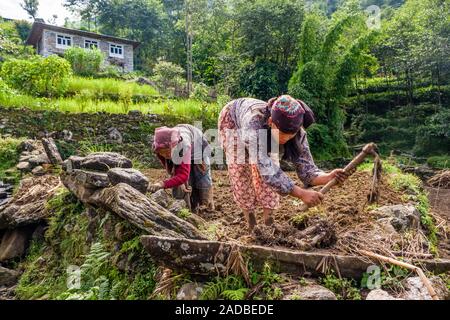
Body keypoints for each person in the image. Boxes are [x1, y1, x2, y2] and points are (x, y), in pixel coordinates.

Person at [218, 95, 351, 231]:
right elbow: (267, 170)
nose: (286, 138)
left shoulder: (298, 132)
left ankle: (269, 224)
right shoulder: (253, 124)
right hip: (233, 121)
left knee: (273, 166)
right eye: (282, 133)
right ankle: (252, 224)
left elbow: (307, 170)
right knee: (241, 169)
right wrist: (301, 193)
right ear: (271, 122)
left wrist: (328, 177)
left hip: (264, 132)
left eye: (290, 135)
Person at [148, 124, 214, 211]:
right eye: (163, 152)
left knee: (202, 177)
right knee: (181, 183)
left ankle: (207, 205)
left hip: (198, 147)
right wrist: (178, 181)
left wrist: (162, 184)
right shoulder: (157, 147)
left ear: (174, 146)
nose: (166, 154)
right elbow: (168, 165)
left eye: (168, 151)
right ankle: (185, 208)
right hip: (180, 150)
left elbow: (183, 175)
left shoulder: (183, 145)